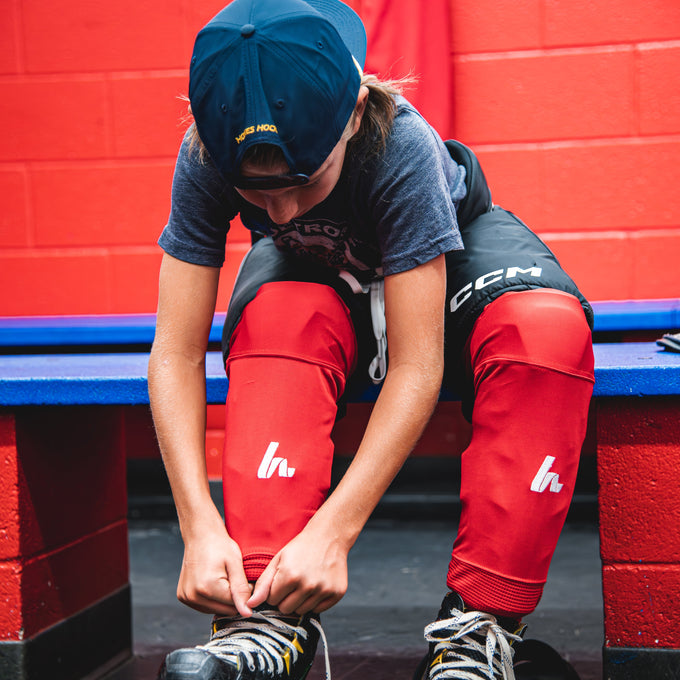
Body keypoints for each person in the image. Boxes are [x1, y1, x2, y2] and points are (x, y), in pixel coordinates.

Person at [147, 0, 595, 678]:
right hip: (316, 270)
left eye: (304, 182)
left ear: (355, 111)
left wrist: (334, 532)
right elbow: (175, 352)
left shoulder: (397, 144)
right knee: (277, 321)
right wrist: (197, 526)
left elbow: (417, 365)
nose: (283, 211)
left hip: (452, 248)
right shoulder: (205, 152)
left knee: (545, 333)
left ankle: (481, 630)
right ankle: (265, 615)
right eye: (257, 195)